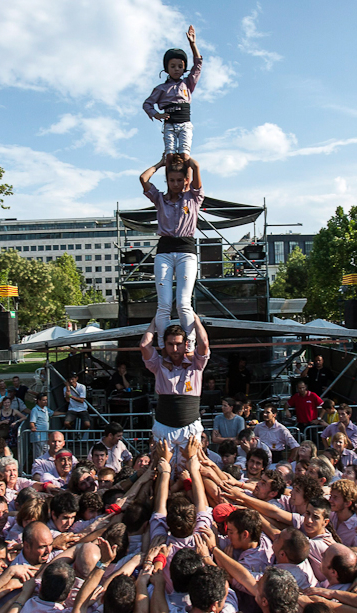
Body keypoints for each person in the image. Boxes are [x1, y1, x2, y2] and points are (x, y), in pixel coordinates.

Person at [139, 152, 204, 351]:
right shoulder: (160, 199)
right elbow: (143, 179)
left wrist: (187, 161)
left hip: (186, 251)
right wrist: (160, 163)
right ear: (167, 181)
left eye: (179, 180)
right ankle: (163, 345)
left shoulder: (193, 197)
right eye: (171, 180)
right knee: (164, 304)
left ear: (186, 180)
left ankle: (189, 345)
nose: (175, 184)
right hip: (164, 251)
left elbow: (196, 167)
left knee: (184, 303)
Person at [139, 317, 210, 464]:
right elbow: (145, 346)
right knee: (162, 468)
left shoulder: (196, 364)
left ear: (186, 344)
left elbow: (203, 343)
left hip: (189, 425)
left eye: (178, 344)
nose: (175, 349)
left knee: (191, 468)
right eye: (170, 345)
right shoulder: (158, 365)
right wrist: (154, 322)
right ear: (164, 345)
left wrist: (195, 319)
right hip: (164, 426)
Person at [143, 26, 201, 166]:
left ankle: (187, 183)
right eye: (173, 66)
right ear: (167, 68)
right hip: (169, 124)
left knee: (184, 155)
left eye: (180, 66)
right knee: (169, 155)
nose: (176, 69)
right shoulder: (161, 89)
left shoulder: (187, 84)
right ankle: (170, 185)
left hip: (184, 124)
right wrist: (156, 114)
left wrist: (193, 44)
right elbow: (147, 104)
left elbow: (198, 64)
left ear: (184, 69)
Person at [28, 392, 52, 457]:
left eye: (46, 400)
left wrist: (65, 413)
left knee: (47, 453)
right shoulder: (35, 410)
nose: (46, 401)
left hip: (45, 436)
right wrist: (33, 427)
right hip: (38, 436)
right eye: (44, 400)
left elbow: (53, 413)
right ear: (39, 401)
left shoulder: (46, 409)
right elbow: (32, 422)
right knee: (39, 455)